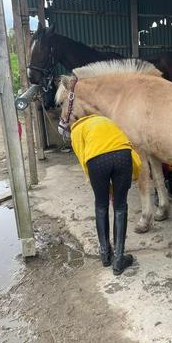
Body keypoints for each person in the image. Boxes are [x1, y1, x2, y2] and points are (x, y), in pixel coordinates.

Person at [70, 114, 141, 275]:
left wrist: (100, 185)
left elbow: (83, 158)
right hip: (123, 155)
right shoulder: (107, 121)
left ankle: (105, 255)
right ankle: (119, 259)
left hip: (97, 160)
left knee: (101, 205)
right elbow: (128, 146)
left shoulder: (76, 130)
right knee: (120, 206)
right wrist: (133, 175)